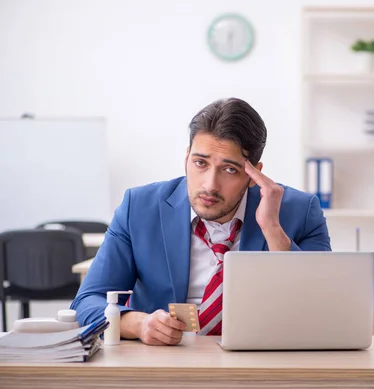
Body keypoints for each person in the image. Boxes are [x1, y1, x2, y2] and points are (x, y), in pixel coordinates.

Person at [70, 98, 331, 346]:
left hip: (261, 366)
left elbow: (323, 308)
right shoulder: (139, 208)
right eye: (200, 163)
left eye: (229, 169)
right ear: (186, 158)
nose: (210, 185)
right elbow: (87, 301)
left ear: (254, 174)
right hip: (165, 365)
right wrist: (137, 324)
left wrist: (272, 230)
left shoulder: (300, 212)